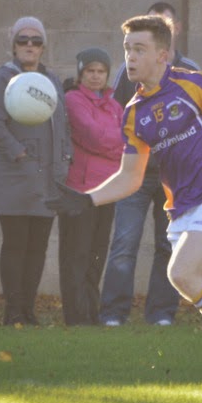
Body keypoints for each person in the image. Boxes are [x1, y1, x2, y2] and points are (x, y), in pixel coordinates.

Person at [48, 14, 202, 398]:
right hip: (182, 211)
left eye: (139, 49)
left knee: (180, 274)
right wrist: (85, 199)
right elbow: (131, 178)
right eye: (127, 49)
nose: (130, 58)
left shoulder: (193, 83)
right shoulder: (133, 113)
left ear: (163, 55)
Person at [98, 1, 199, 327]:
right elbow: (114, 116)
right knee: (124, 244)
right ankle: (113, 314)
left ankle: (161, 315)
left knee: (168, 246)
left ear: (176, 30)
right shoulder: (130, 69)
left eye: (165, 25)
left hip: (175, 177)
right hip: (136, 174)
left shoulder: (190, 70)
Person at [0, 16, 71, 326]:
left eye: (36, 40)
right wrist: (19, 153)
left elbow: (62, 126)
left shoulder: (53, 81)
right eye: (23, 40)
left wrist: (65, 157)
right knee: (16, 244)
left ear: (43, 46)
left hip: (48, 179)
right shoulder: (3, 77)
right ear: (14, 45)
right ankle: (13, 311)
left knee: (38, 247)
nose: (30, 45)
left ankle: (29, 312)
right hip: (15, 177)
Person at [58, 48, 125, 326]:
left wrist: (115, 143)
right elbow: (92, 136)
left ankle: (90, 312)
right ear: (81, 74)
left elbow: (130, 139)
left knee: (97, 253)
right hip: (79, 191)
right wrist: (117, 143)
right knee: (77, 253)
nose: (96, 76)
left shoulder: (114, 105)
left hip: (107, 190)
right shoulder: (73, 99)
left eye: (101, 71)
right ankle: (76, 316)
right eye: (90, 71)